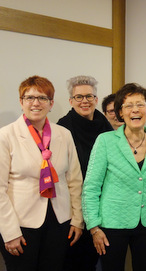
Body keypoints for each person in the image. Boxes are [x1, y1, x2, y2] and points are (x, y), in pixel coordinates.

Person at [0, 75, 84, 271]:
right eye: (29, 98)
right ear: (21, 102)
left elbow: (74, 181)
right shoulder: (6, 135)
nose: (35, 103)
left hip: (59, 220)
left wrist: (78, 220)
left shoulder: (64, 134)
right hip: (21, 223)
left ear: (51, 103)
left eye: (42, 98)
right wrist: (9, 232)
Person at [82, 83, 146, 271]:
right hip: (111, 224)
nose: (135, 110)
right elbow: (91, 186)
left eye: (140, 104)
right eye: (128, 105)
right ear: (120, 112)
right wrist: (94, 227)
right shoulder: (105, 141)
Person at [57, 75, 114, 271]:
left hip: (103, 206)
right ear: (71, 101)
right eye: (79, 97)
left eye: (89, 96)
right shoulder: (62, 128)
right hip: (75, 206)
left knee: (101, 260)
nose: (85, 101)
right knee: (76, 261)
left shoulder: (105, 126)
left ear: (96, 99)